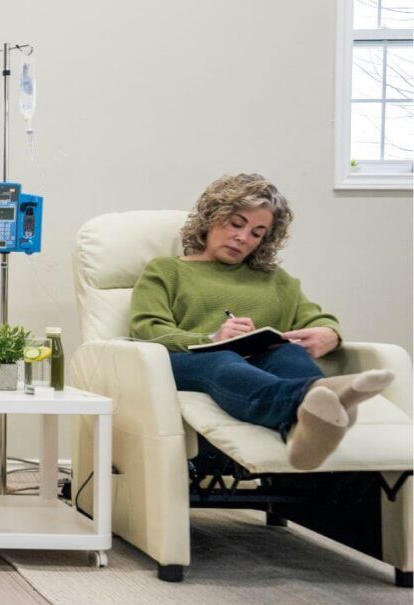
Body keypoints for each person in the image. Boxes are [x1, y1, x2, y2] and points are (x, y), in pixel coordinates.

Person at [129, 173, 394, 471]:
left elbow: (317, 317)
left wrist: (328, 333)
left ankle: (305, 428)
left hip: (254, 363)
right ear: (210, 218)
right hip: (186, 362)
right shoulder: (166, 270)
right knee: (223, 359)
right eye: (236, 223)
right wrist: (212, 338)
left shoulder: (275, 281)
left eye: (257, 233)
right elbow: (147, 329)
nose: (243, 238)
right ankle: (324, 395)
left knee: (288, 352)